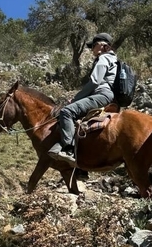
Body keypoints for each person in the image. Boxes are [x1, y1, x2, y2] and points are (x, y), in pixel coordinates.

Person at [49, 32, 118, 163]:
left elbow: (94, 82)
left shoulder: (104, 58)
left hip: (101, 94)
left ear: (102, 46)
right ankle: (82, 165)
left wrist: (75, 99)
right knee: (79, 122)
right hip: (107, 95)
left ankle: (68, 150)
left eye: (94, 45)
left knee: (66, 112)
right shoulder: (114, 59)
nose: (92, 49)